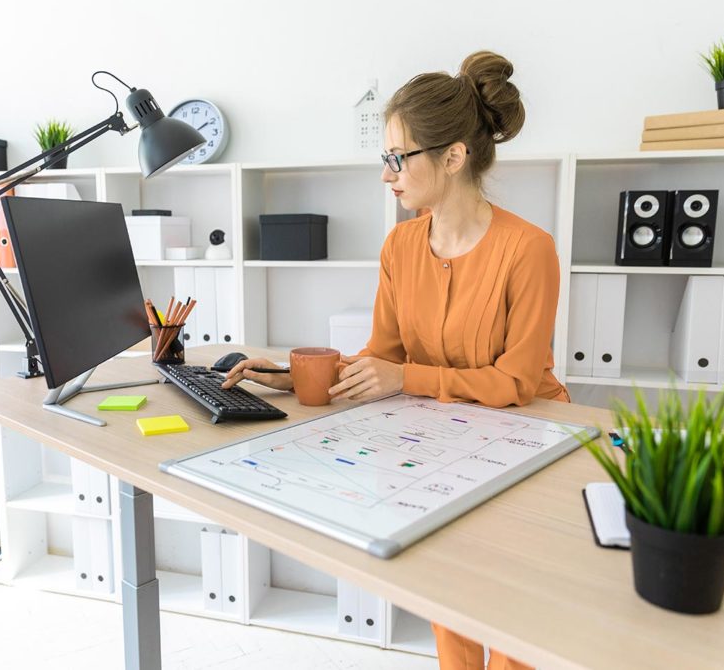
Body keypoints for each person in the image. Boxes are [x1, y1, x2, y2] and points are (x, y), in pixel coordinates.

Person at [221, 50, 568, 670]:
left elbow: (517, 382)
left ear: (454, 156)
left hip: (526, 440)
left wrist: (406, 377)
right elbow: (380, 358)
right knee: (451, 600)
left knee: (514, 624)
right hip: (440, 437)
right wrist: (290, 375)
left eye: (397, 158)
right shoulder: (401, 244)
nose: (387, 175)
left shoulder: (529, 249)